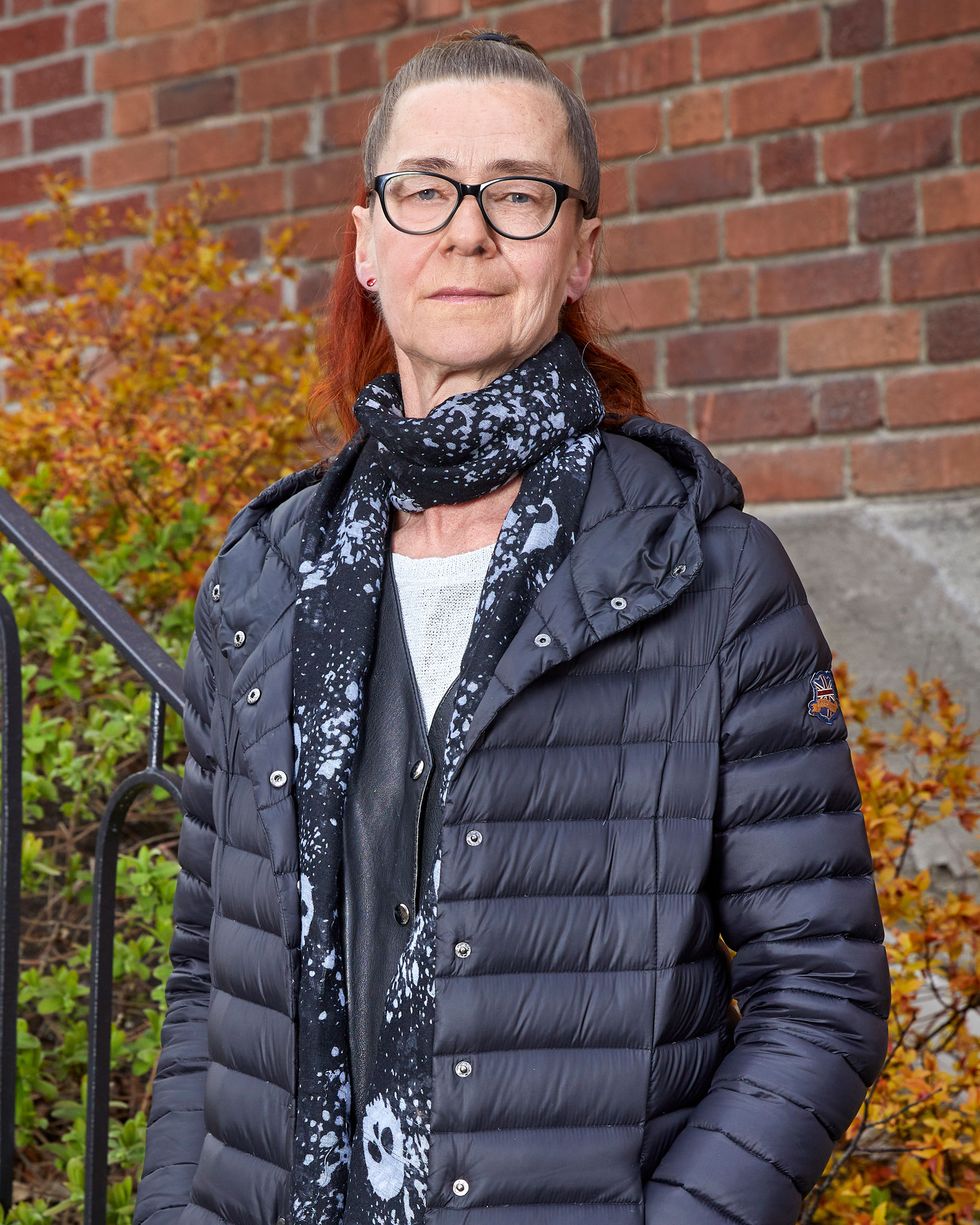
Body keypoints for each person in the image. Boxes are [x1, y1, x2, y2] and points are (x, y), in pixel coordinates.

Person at [132, 28, 891, 1225]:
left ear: (579, 253)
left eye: (519, 194)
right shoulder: (262, 582)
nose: (467, 232)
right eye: (424, 189)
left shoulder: (705, 573)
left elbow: (821, 990)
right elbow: (206, 986)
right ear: (366, 243)